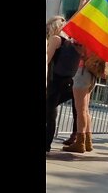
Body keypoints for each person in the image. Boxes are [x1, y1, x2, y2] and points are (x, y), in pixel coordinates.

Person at [62, 0, 98, 154]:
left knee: (80, 108)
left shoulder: (85, 32)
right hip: (89, 73)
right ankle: (87, 141)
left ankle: (80, 141)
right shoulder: (96, 33)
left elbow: (79, 15)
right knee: (85, 109)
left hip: (82, 71)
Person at [46, 15, 80, 153]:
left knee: (49, 112)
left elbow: (47, 59)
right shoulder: (71, 43)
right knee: (50, 112)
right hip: (69, 83)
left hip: (56, 81)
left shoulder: (55, 39)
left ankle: (47, 143)